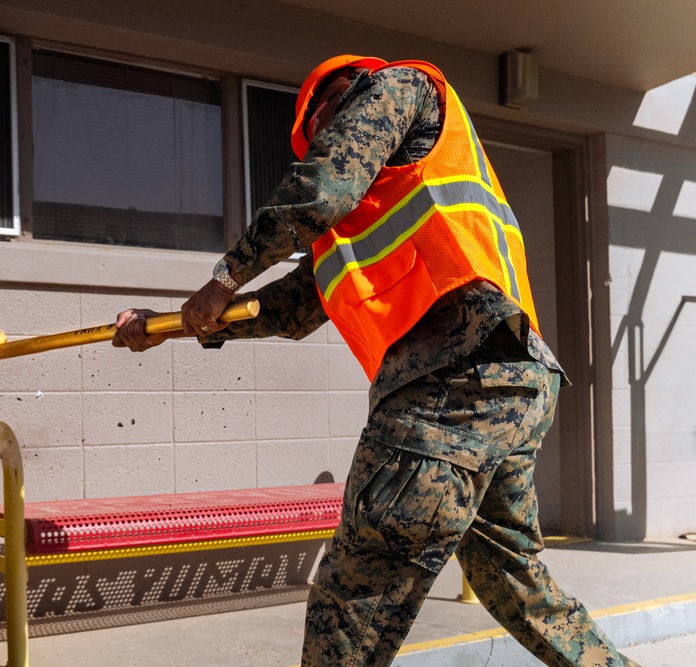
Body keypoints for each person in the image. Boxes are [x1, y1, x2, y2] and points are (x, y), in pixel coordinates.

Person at [113, 55, 637, 667]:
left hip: (452, 383)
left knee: (353, 598)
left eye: (322, 130)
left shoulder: (400, 87)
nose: (325, 142)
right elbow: (290, 308)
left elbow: (321, 186)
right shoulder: (360, 224)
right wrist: (171, 328)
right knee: (512, 580)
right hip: (509, 383)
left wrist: (226, 273)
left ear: (337, 96)